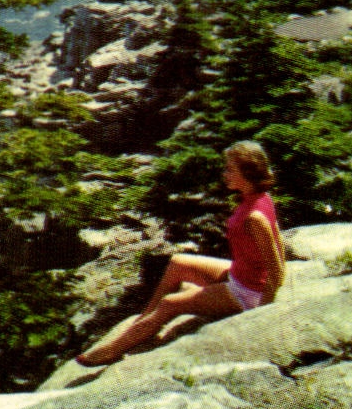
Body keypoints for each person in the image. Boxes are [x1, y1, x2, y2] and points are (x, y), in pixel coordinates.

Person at [75, 141, 285, 367]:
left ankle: (111, 351)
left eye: (230, 169)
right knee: (178, 262)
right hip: (238, 274)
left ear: (248, 171)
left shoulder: (254, 216)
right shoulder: (258, 198)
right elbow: (278, 239)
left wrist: (261, 315)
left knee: (170, 303)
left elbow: (278, 272)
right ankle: (145, 320)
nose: (224, 174)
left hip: (246, 292)